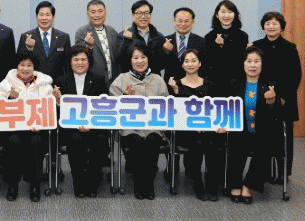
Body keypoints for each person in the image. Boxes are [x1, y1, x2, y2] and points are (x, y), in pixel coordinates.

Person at [109, 43, 168, 200]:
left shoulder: (158, 79)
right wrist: (125, 97)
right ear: (130, 60)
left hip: (153, 127)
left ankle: (149, 184)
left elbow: (166, 105)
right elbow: (113, 107)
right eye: (135, 58)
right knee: (137, 142)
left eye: (143, 57)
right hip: (130, 128)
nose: (140, 61)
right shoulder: (122, 79)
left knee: (152, 141)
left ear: (148, 59)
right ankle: (139, 184)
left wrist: (163, 123)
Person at [0, 51, 53, 202]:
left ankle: (35, 184)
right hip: (14, 129)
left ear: (34, 67)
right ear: (17, 66)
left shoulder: (45, 85)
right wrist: (10, 98)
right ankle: (12, 184)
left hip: (36, 130)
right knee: (13, 142)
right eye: (22, 65)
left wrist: (41, 124)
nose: (25, 69)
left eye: (29, 65)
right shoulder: (7, 83)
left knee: (36, 142)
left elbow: (49, 110)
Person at [167, 49, 225, 201]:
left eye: (193, 60)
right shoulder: (175, 85)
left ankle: (212, 187)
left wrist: (214, 125)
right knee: (197, 143)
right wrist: (175, 91)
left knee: (213, 143)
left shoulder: (210, 84)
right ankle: (198, 185)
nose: (190, 64)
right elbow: (175, 113)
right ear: (182, 64)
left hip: (209, 129)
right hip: (185, 131)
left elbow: (216, 110)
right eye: (186, 61)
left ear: (200, 63)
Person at [52, 45, 109, 198]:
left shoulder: (98, 79)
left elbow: (104, 106)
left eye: (83, 59)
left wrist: (90, 124)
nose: (80, 63)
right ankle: (79, 182)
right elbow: (58, 112)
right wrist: (58, 100)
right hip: (71, 128)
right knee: (75, 139)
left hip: (95, 127)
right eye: (76, 59)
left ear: (89, 62)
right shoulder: (61, 80)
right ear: (70, 62)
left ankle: (92, 181)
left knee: (101, 140)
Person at [227, 46, 281, 205]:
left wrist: (271, 100)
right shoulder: (234, 84)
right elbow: (226, 108)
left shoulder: (269, 85)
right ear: (243, 64)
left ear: (262, 64)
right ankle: (235, 185)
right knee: (236, 147)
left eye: (256, 61)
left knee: (265, 148)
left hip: (262, 132)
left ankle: (248, 185)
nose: (252, 65)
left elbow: (278, 113)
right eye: (249, 61)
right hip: (240, 131)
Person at [253, 11, 301, 179]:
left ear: (281, 27)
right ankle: (265, 171)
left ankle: (283, 173)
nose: (271, 26)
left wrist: (282, 96)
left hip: (284, 98)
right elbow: (253, 72)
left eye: (275, 23)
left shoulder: (290, 47)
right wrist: (263, 94)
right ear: (263, 26)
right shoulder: (256, 46)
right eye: (268, 23)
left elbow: (295, 75)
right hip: (262, 96)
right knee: (264, 135)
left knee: (284, 137)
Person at [16, 1, 71, 82]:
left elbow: (67, 65)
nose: (44, 18)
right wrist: (29, 48)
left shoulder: (63, 37)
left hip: (57, 84)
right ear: (36, 16)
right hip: (33, 84)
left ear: (53, 17)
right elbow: (19, 63)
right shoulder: (26, 37)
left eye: (47, 15)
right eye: (41, 15)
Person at [204, 0, 249, 89]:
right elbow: (208, 61)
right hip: (214, 82)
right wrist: (217, 46)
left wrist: (223, 45)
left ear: (235, 15)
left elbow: (237, 59)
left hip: (236, 82)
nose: (226, 15)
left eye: (230, 12)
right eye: (223, 12)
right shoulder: (209, 36)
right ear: (217, 15)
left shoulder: (242, 36)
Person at [75, 0, 119, 86]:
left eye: (100, 11)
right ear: (88, 15)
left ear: (105, 13)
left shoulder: (112, 31)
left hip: (113, 80)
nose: (97, 15)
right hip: (93, 82)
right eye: (93, 12)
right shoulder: (82, 32)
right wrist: (88, 45)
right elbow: (80, 58)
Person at [163, 7, 208, 89]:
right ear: (174, 22)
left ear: (193, 23)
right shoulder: (165, 41)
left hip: (195, 86)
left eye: (186, 21)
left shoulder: (201, 41)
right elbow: (159, 64)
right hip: (170, 84)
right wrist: (166, 52)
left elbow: (205, 66)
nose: (183, 24)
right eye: (180, 21)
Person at [116, 0, 166, 74]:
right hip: (130, 78)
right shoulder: (123, 35)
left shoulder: (159, 37)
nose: (143, 16)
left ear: (150, 15)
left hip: (153, 78)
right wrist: (126, 41)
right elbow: (119, 61)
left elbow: (162, 65)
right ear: (133, 16)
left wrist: (166, 52)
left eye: (146, 13)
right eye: (139, 13)